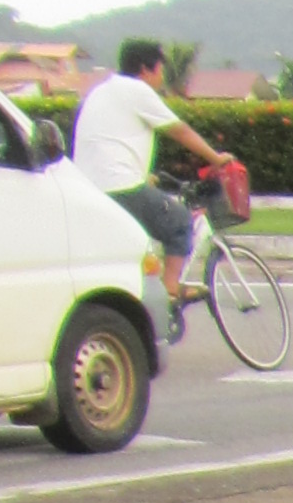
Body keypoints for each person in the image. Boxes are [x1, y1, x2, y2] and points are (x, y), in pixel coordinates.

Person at [70, 36, 220, 333]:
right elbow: (180, 130)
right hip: (119, 187)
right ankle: (171, 289)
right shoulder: (137, 90)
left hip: (89, 189)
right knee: (179, 221)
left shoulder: (102, 90)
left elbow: (112, 142)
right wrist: (216, 158)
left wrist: (145, 177)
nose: (162, 74)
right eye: (160, 67)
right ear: (145, 68)